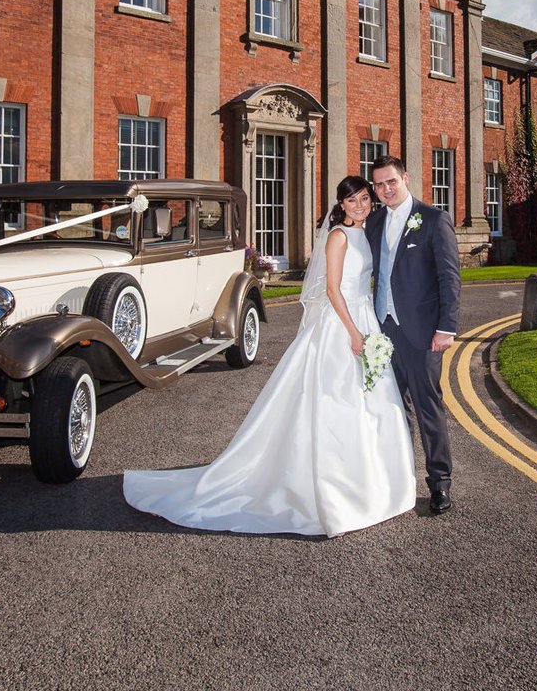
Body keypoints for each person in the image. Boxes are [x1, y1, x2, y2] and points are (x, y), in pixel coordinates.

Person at [123, 176, 416, 537]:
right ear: (340, 205)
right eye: (351, 200)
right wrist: (354, 333)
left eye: (364, 198)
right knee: (334, 401)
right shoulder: (339, 236)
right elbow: (332, 289)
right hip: (343, 325)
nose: (359, 205)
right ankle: (329, 488)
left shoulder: (367, 232)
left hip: (365, 319)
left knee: (370, 402)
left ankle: (371, 480)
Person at [366, 155, 460, 514]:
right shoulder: (374, 221)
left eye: (391, 181)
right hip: (382, 329)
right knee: (392, 408)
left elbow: (449, 277)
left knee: (427, 407)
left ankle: (439, 483)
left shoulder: (434, 220)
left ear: (405, 178)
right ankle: (401, 479)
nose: (385, 189)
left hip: (422, 333)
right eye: (378, 184)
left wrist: (446, 327)